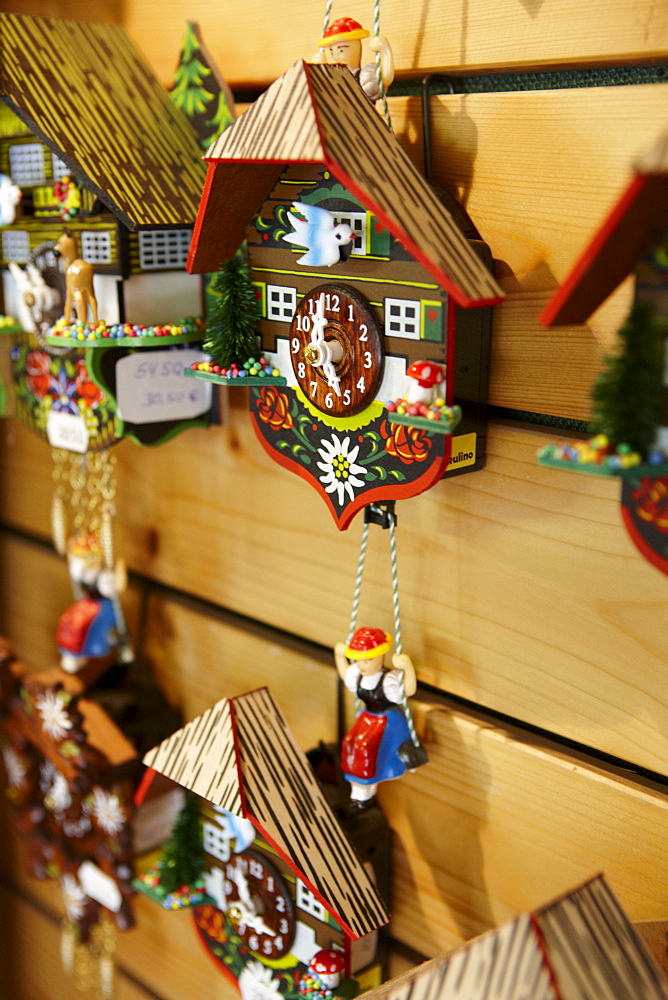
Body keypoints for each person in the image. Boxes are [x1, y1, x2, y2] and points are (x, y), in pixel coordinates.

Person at [335, 626, 418, 806]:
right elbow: (344, 674)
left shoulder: (388, 680)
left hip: (387, 721)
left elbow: (407, 691)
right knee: (349, 743)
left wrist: (407, 668)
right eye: (358, 660)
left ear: (380, 657)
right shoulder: (357, 675)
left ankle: (366, 789)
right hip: (368, 718)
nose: (362, 665)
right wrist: (339, 655)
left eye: (367, 660)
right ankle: (356, 790)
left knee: (366, 748)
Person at [314, 17, 394, 103]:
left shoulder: (365, 77)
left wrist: (384, 50)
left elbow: (385, 79)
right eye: (332, 52)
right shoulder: (333, 78)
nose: (335, 56)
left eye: (341, 50)